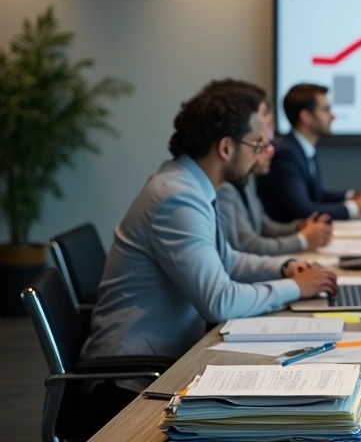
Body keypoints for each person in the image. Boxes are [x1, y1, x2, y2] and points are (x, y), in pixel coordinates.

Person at [81, 80, 337, 417]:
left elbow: (226, 258)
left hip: (170, 360)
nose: (262, 152)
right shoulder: (178, 198)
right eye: (256, 144)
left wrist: (283, 267)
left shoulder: (190, 184)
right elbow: (220, 301)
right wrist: (294, 288)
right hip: (129, 383)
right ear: (226, 148)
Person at [216, 84, 333, 255]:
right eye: (265, 127)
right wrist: (302, 240)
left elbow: (263, 226)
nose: (270, 142)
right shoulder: (225, 185)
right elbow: (246, 247)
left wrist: (299, 227)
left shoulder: (246, 179)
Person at [258, 83, 361, 222]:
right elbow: (302, 210)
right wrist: (356, 207)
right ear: (306, 117)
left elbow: (316, 196)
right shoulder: (286, 154)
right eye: (326, 110)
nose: (333, 116)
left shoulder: (302, 148)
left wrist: (352, 196)